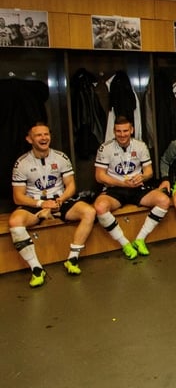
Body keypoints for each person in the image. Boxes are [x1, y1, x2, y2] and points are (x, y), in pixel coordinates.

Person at [8, 123, 96, 287]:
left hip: (59, 200)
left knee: (89, 212)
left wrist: (60, 200)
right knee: (15, 222)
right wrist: (42, 204)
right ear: (29, 139)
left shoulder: (60, 157)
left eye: (46, 134)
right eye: (38, 135)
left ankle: (72, 259)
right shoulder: (22, 163)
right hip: (35, 203)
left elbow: (71, 186)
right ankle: (36, 269)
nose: (44, 138)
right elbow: (18, 197)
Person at [94, 116, 171, 259]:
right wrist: (123, 183)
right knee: (100, 207)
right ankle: (125, 244)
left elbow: (149, 171)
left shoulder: (140, 145)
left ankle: (140, 239)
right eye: (118, 131)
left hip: (136, 187)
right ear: (114, 131)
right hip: (115, 188)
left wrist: (143, 177)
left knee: (164, 201)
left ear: (132, 130)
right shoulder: (105, 148)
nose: (122, 134)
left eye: (125, 131)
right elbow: (99, 176)